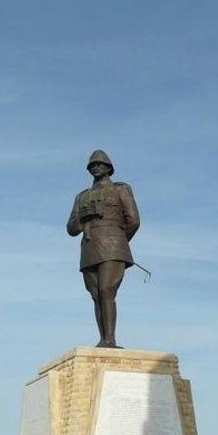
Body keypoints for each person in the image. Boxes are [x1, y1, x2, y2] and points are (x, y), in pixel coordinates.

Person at [67, 149, 140, 348]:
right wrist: (84, 217)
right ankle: (103, 339)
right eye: (92, 166)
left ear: (109, 168)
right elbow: (71, 228)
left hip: (114, 246)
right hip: (89, 248)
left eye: (100, 164)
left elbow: (133, 220)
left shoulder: (121, 189)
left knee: (106, 289)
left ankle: (110, 340)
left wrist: (119, 241)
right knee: (96, 295)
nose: (96, 168)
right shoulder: (82, 196)